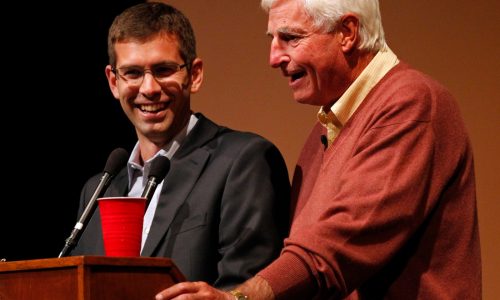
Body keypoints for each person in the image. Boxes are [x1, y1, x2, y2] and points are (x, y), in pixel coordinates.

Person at [155, 0, 482, 299]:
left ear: (347, 33)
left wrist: (237, 298)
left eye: (290, 38)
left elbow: (335, 246)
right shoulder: (325, 130)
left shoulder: (411, 104)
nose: (273, 58)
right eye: (272, 38)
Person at [70, 2, 291, 290]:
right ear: (114, 82)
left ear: (194, 74)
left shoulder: (244, 161)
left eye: (163, 70)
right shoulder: (98, 190)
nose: (149, 88)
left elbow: (248, 288)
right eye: (133, 73)